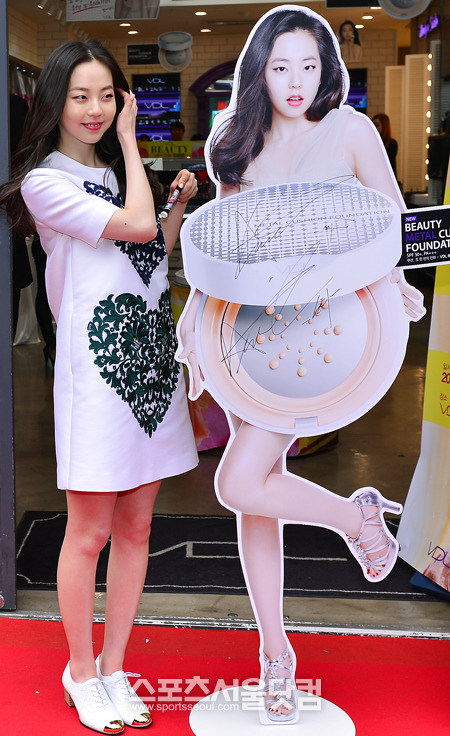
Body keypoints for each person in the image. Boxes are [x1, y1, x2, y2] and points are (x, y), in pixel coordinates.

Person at [178, 6, 424, 725]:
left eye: (309, 67)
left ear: (326, 71)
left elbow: (391, 222)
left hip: (325, 330)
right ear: (260, 69)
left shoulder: (349, 130)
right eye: (281, 66)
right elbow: (221, 252)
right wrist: (194, 323)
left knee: (239, 480)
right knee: (256, 493)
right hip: (249, 331)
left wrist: (398, 284)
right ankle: (275, 655)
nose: (295, 82)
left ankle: (353, 518)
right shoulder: (234, 138)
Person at [0, 39, 198, 734]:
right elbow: (134, 226)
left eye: (107, 96)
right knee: (88, 533)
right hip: (96, 374)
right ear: (54, 102)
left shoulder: (118, 177)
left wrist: (176, 206)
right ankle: (80, 672)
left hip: (150, 365)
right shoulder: (44, 183)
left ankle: (114, 667)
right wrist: (134, 148)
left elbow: (149, 252)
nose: (95, 109)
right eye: (80, 96)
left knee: (138, 526)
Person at [372, 112, 398, 179]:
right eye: (373, 124)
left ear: (384, 127)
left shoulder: (391, 144)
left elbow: (391, 166)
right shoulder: (371, 141)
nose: (374, 127)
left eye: (377, 125)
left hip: (384, 177)